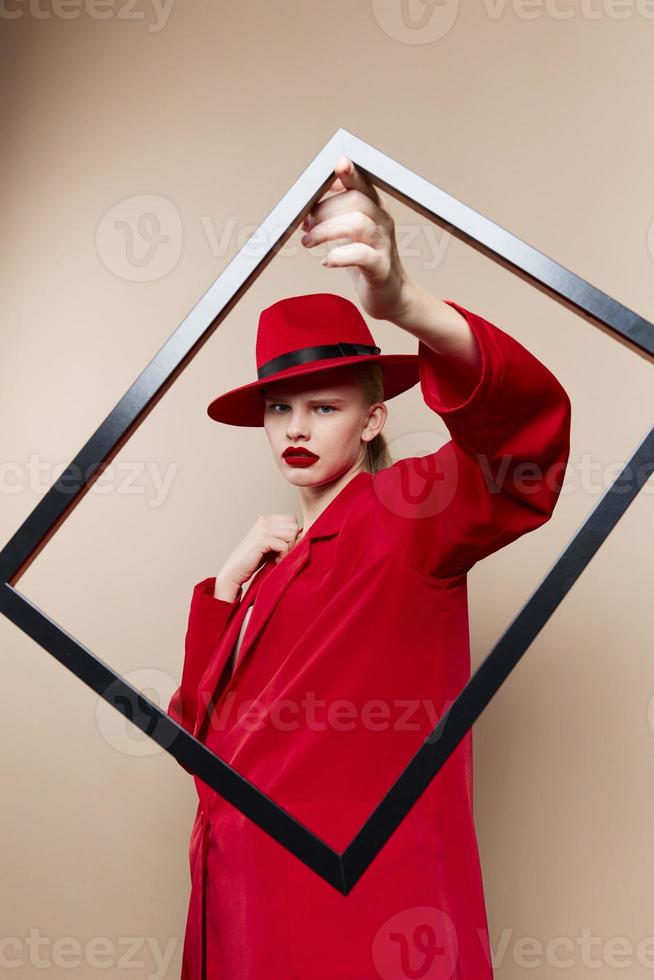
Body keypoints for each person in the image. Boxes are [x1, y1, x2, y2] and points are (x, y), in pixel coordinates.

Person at [167, 156, 572, 980]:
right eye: (280, 407)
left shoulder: (408, 511)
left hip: (361, 913)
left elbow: (524, 452)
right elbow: (198, 743)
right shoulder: (265, 565)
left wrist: (405, 306)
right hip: (241, 906)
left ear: (375, 415)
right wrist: (224, 588)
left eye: (325, 406)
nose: (296, 427)